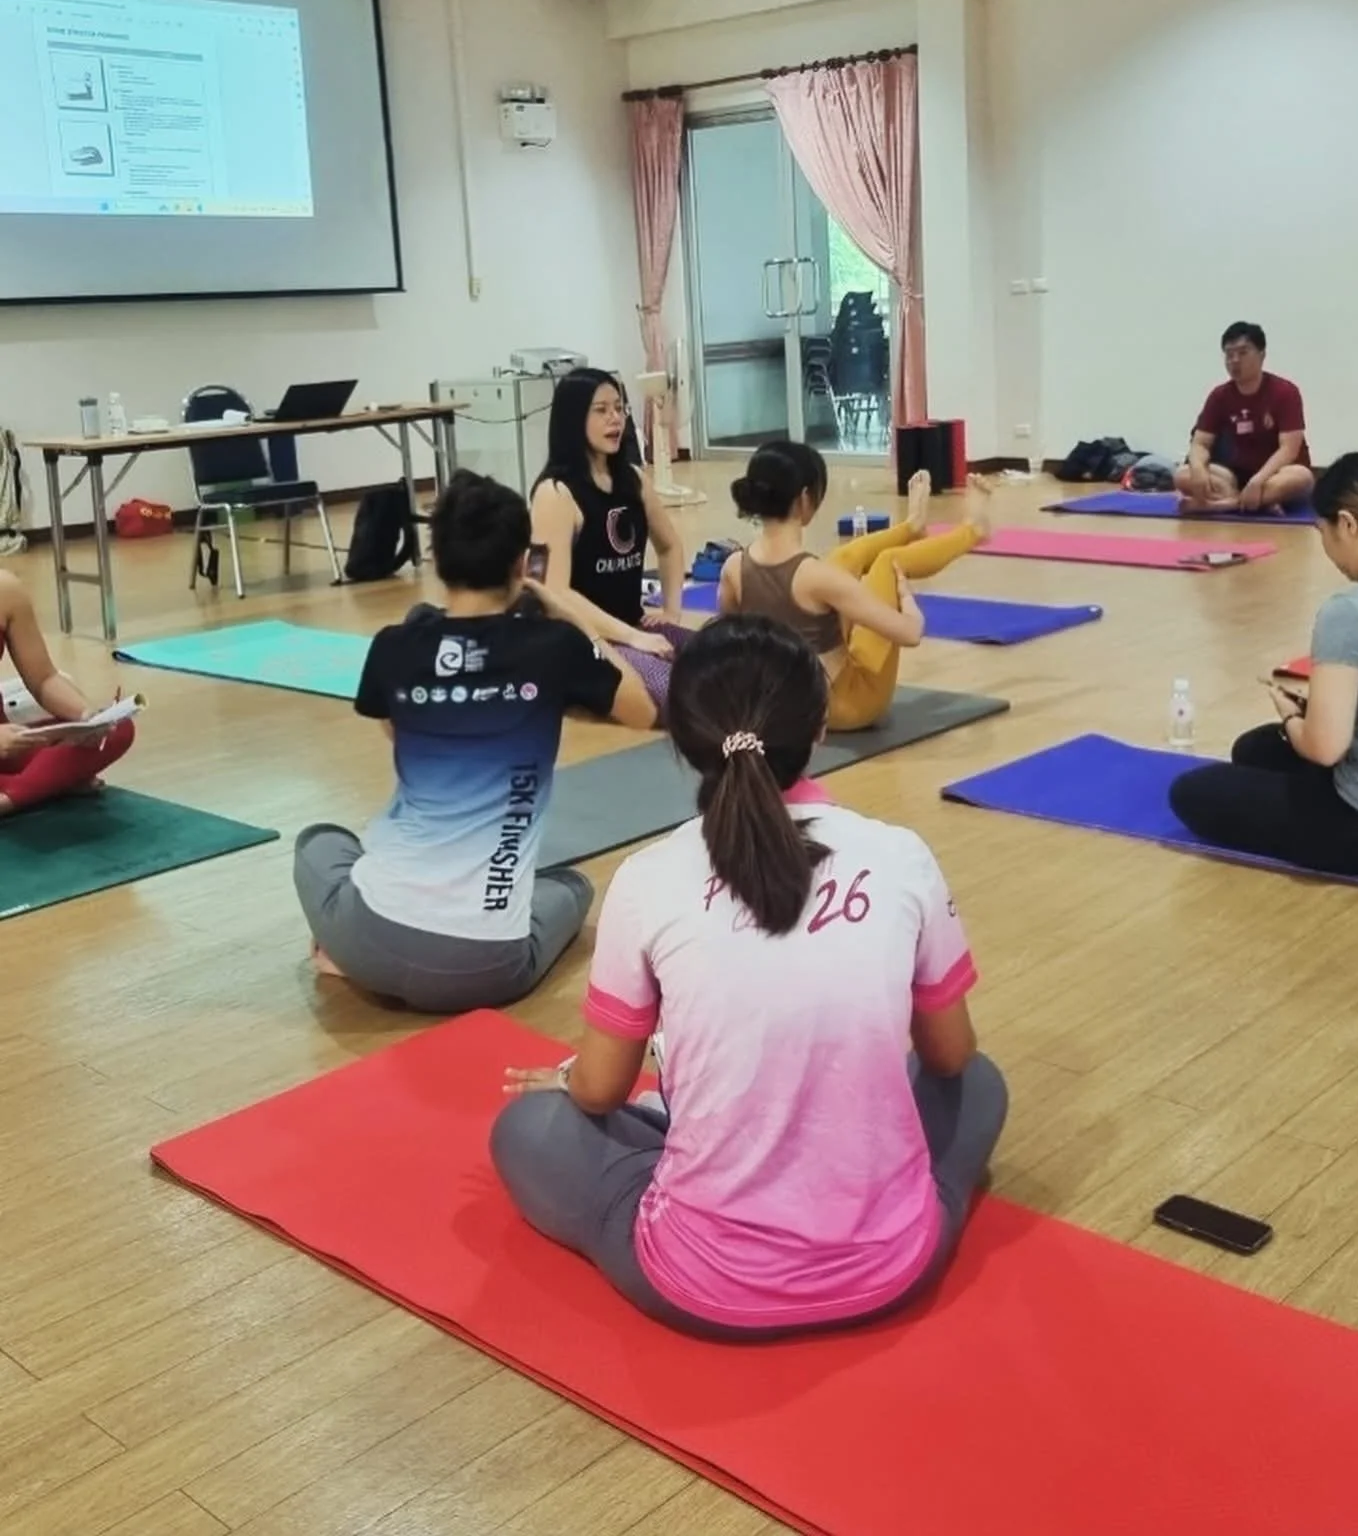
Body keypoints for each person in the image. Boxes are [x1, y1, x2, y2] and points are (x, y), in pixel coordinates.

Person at [491, 614, 1007, 1339]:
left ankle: (684, 1137)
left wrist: (573, 1081)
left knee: (528, 1125)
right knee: (979, 1084)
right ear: (820, 729)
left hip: (698, 1282)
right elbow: (951, 1056)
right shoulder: (900, 855)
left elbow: (601, 1090)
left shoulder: (647, 877)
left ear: (682, 742)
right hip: (891, 1267)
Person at [293, 472, 656, 1014]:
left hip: (367, 936)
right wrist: (571, 617)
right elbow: (642, 710)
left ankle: (348, 958)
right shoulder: (553, 646)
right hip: (487, 969)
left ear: (436, 558)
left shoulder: (393, 647)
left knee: (319, 841)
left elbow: (397, 731)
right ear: (521, 564)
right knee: (573, 887)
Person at [1170, 453, 1358, 878]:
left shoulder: (1350, 611)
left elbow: (1325, 749)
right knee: (1255, 749)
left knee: (1190, 792)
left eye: (1323, 532)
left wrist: (1291, 714)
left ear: (1347, 524)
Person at [716, 442, 990, 731]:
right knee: (888, 562)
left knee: (843, 558)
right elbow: (911, 633)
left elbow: (732, 645)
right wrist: (906, 599)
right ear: (805, 499)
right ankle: (974, 531)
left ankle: (911, 527)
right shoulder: (818, 577)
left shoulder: (733, 567)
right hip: (844, 708)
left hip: (778, 707)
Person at [529, 367, 689, 717]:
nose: (615, 418)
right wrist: (632, 638)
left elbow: (670, 547)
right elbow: (553, 591)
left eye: (619, 408)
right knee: (672, 694)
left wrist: (671, 613)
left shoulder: (633, 479)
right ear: (574, 419)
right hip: (585, 639)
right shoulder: (555, 493)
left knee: (723, 661)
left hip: (632, 626)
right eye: (601, 410)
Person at [0, 571, 135, 816]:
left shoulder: (7, 589)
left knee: (119, 728)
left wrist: (86, 717)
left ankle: (17, 793)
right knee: (56, 766)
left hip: (8, 743)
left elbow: (44, 679)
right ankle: (47, 783)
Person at [1175, 322, 1315, 515]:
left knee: (1301, 477)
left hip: (1276, 473)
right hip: (1236, 476)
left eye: (1243, 353)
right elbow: (1200, 443)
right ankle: (1259, 502)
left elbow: (1289, 449)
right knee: (1182, 475)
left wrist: (1258, 481)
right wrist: (1198, 469)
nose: (1234, 360)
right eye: (1229, 354)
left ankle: (1224, 505)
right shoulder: (1219, 395)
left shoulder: (1285, 392)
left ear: (1262, 355)